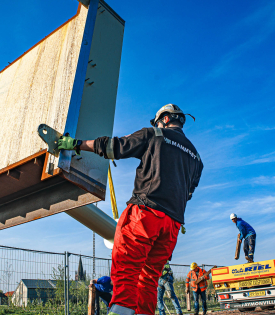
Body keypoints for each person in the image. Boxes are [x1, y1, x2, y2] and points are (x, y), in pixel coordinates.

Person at [58, 104, 203, 315]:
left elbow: (114, 147)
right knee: (149, 278)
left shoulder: (154, 134)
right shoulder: (196, 159)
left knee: (126, 270)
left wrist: (77, 144)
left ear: (163, 119)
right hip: (172, 226)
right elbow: (188, 192)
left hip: (145, 215)